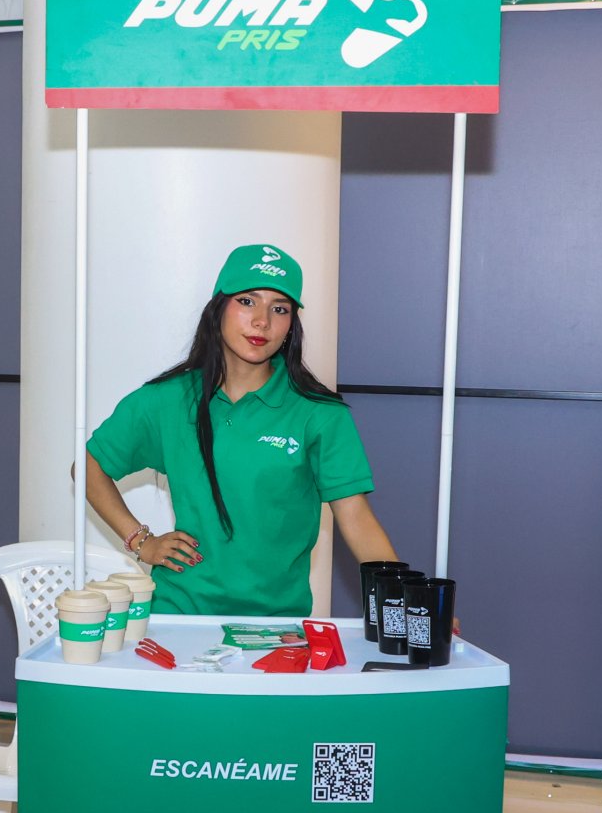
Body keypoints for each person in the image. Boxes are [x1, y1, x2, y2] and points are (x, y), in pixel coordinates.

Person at [83, 244, 396, 617]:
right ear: (218, 309)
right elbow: (88, 466)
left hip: (276, 622)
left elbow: (356, 518)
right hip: (179, 614)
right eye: (247, 301)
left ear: (291, 325)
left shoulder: (320, 414)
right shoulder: (167, 400)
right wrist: (140, 540)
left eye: (279, 308)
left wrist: (405, 602)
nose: (262, 321)